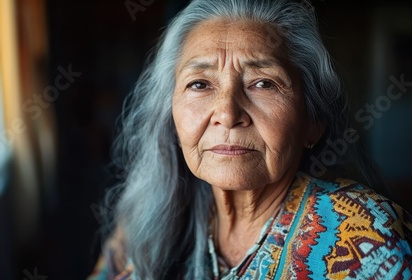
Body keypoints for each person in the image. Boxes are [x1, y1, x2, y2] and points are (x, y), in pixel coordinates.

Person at [88, 0, 412, 279]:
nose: (227, 114)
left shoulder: (367, 237)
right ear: (171, 117)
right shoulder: (140, 227)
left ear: (312, 121)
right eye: (200, 84)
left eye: (263, 84)